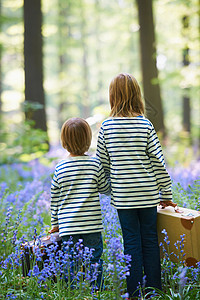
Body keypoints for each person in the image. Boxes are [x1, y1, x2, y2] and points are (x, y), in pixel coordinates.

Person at [96, 73, 175, 299]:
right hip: (148, 196)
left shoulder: (107, 128)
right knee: (150, 240)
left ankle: (133, 292)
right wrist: (166, 194)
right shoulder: (144, 124)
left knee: (131, 241)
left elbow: (102, 165)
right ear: (136, 95)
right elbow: (158, 163)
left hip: (124, 199)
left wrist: (111, 189)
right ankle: (155, 290)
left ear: (112, 96)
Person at [49, 117, 110, 289]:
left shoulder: (60, 167)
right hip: (92, 225)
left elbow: (55, 200)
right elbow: (105, 188)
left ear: (64, 141)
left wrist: (55, 224)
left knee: (71, 262)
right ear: (88, 140)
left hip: (69, 227)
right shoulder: (94, 164)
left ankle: (72, 291)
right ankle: (96, 290)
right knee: (94, 260)